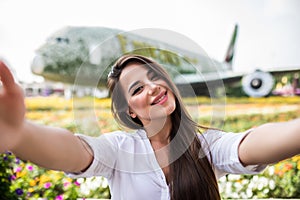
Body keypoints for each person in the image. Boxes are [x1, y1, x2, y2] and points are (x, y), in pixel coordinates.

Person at [0, 54, 299, 200]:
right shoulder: (120, 149)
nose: (153, 87)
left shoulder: (206, 146)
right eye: (137, 88)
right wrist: (19, 133)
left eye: (154, 76)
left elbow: (251, 144)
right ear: (130, 110)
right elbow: (77, 152)